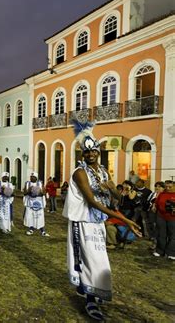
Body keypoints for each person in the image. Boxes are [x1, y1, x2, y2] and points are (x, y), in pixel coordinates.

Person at [63, 120, 141, 321]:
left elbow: (117, 198)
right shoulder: (80, 173)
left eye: (94, 151)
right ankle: (90, 298)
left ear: (99, 152)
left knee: (98, 257)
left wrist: (112, 188)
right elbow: (92, 202)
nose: (90, 155)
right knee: (90, 259)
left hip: (97, 222)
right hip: (83, 221)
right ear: (82, 154)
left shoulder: (104, 172)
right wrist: (126, 221)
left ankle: (90, 289)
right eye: (87, 152)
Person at [153, 180, 175, 260]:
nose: (167, 188)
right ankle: (160, 251)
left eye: (170, 187)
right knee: (161, 235)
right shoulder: (162, 194)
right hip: (161, 217)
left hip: (173, 218)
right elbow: (156, 203)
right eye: (166, 187)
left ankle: (171, 253)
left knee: (172, 236)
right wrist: (155, 207)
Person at [23, 172, 49, 237]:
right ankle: (31, 229)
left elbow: (44, 192)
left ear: (36, 178)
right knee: (30, 216)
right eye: (31, 176)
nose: (31, 178)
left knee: (40, 217)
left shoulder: (40, 183)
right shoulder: (27, 183)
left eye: (33, 177)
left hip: (38, 203)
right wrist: (29, 190)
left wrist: (39, 192)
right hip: (30, 203)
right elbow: (24, 193)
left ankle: (42, 231)